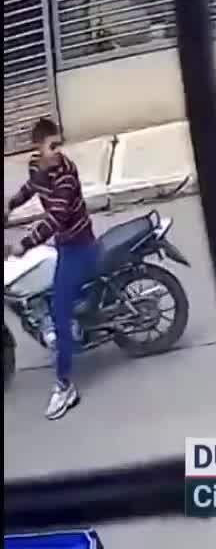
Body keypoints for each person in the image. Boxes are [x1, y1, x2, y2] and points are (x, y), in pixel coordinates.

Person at [3, 118, 98, 420]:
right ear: (38, 148)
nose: (58, 151)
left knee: (59, 311)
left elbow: (55, 217)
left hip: (78, 245)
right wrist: (10, 204)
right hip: (62, 242)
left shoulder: (67, 175)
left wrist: (24, 244)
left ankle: (65, 386)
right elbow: (32, 186)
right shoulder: (37, 166)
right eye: (52, 146)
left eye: (59, 145)